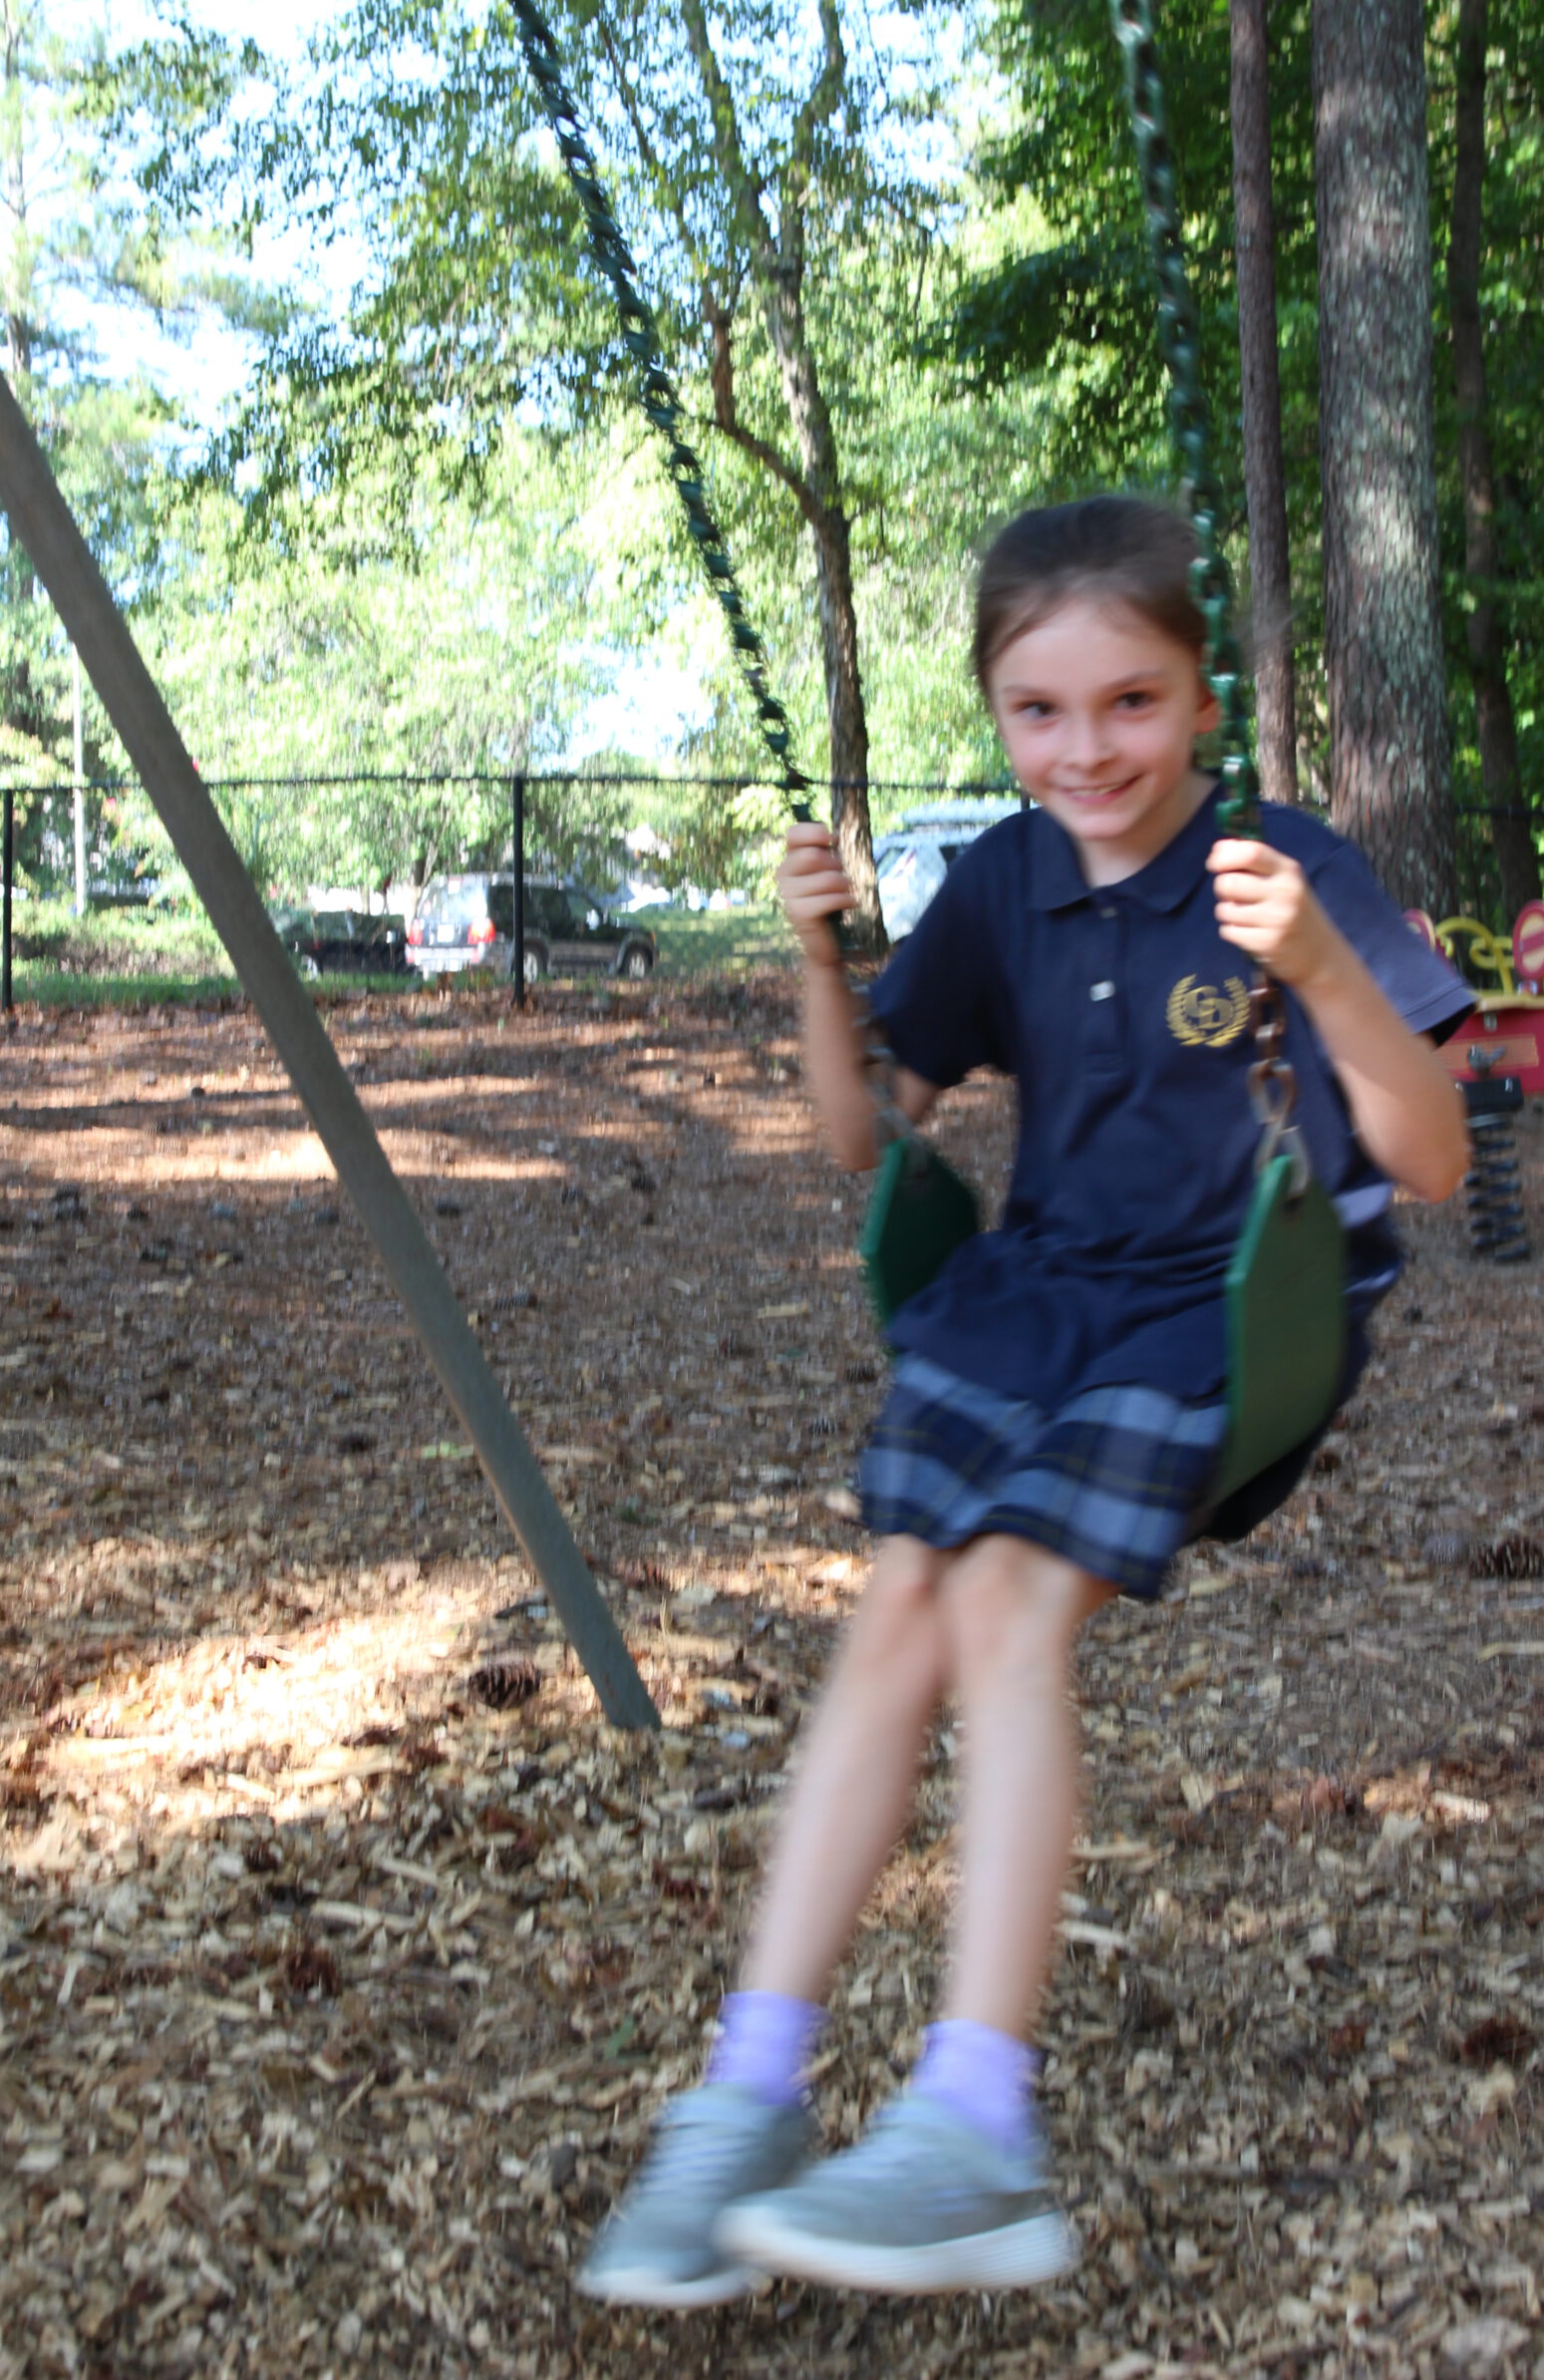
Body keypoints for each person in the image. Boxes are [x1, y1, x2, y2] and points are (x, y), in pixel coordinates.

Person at [579, 496, 1470, 2309]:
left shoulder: (1286, 867)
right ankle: (748, 2100)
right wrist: (820, 958)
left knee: (999, 1606)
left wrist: (1312, 973)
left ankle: (975, 2122)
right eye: (1040, 712)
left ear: (1202, 699)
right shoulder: (999, 879)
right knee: (900, 1598)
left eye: (1132, 703)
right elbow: (857, 1136)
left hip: (1218, 1311)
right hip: (1031, 1297)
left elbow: (1434, 1161)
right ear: (996, 714)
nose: (1089, 751)